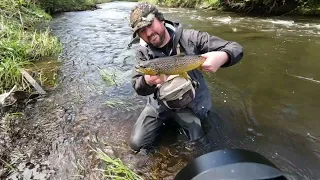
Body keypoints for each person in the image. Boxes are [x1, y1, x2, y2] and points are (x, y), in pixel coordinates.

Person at [128, 2, 243, 152]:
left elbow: (236, 48)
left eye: (150, 25)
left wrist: (223, 56)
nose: (148, 33)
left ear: (160, 19)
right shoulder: (143, 54)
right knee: (136, 145)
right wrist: (146, 81)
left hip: (190, 105)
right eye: (142, 31)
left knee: (198, 147)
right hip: (159, 106)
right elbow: (137, 86)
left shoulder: (191, 38)